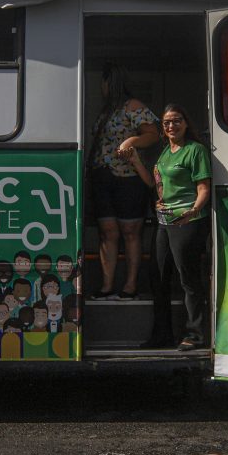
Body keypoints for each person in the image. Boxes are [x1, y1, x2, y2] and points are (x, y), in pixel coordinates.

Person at [130, 103, 211, 351]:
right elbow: (151, 183)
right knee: (159, 280)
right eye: (166, 123)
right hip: (163, 222)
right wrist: (134, 158)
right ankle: (162, 335)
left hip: (188, 221)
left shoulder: (195, 151)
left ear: (186, 123)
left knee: (188, 279)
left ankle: (195, 335)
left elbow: (204, 188)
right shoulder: (165, 153)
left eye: (176, 120)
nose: (171, 125)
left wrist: (193, 210)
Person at [88, 63, 160, 300]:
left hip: (129, 177)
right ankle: (106, 286)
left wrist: (131, 142)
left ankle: (130, 285)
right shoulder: (106, 110)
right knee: (107, 232)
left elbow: (152, 134)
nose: (102, 87)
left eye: (104, 81)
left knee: (130, 231)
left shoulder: (133, 106)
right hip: (103, 175)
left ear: (111, 82)